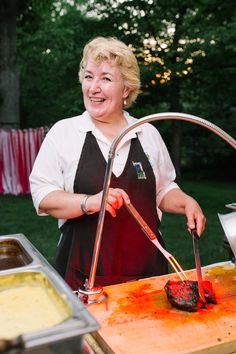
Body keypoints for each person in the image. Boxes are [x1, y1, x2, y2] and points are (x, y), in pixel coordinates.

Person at [29, 36, 206, 290]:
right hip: (84, 278)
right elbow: (43, 196)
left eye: (106, 79)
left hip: (148, 275)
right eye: (89, 77)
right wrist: (90, 202)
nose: (93, 87)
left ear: (126, 89)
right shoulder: (64, 133)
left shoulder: (146, 133)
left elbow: (164, 190)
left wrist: (187, 202)